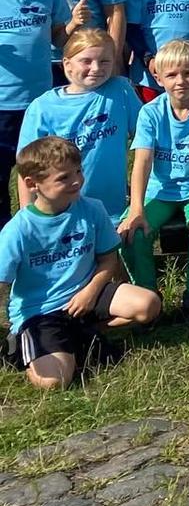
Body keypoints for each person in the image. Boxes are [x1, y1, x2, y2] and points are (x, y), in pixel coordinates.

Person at [0, 136, 159, 389]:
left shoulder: (92, 209)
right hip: (41, 312)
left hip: (85, 294)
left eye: (78, 171)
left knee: (148, 304)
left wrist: (90, 291)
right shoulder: (18, 230)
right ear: (32, 184)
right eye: (63, 178)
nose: (76, 181)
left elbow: (108, 259)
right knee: (53, 382)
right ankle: (24, 344)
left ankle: (79, 333)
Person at [124, 39, 189, 325]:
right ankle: (148, 297)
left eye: (188, 73)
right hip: (161, 188)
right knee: (132, 232)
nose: (181, 81)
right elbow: (142, 163)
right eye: (171, 75)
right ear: (158, 77)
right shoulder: (151, 112)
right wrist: (136, 209)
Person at [19, 29, 140, 216]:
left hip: (112, 209)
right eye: (86, 61)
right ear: (67, 65)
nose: (96, 68)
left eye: (104, 61)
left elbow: (146, 135)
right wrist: (28, 214)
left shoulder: (120, 91)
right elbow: (26, 164)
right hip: (61, 210)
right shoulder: (43, 107)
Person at [0, 0, 71, 198]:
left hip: (41, 100)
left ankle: (48, 220)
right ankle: (7, 231)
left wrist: (73, 25)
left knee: (47, 169)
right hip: (3, 105)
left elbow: (58, 39)